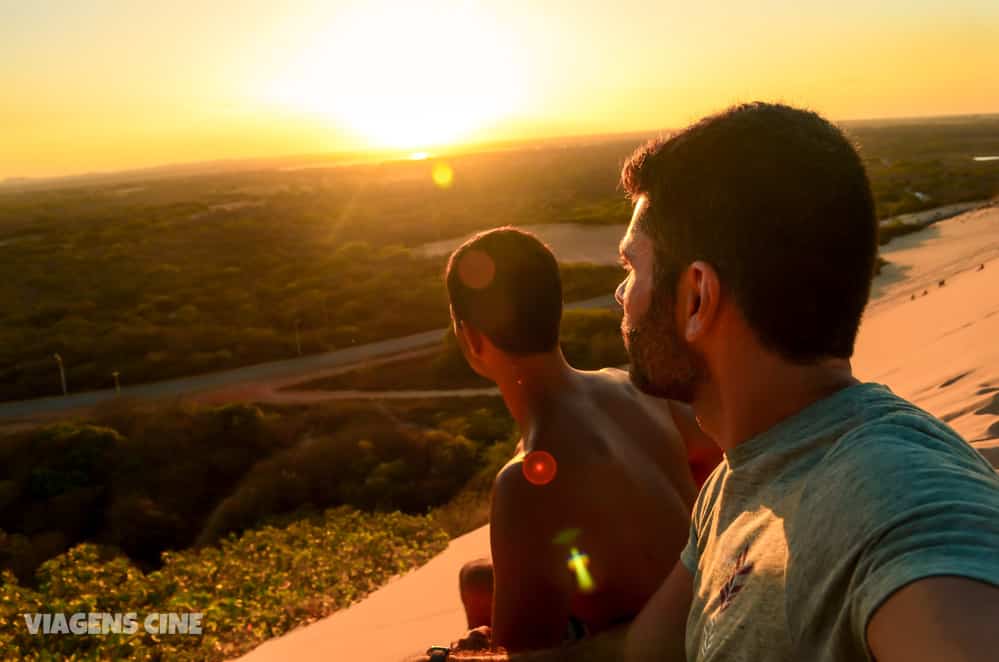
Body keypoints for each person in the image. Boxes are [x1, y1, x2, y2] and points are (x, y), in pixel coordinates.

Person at [611, 102, 999, 661]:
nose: (622, 296)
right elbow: (641, 653)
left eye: (631, 269)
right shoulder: (736, 482)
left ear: (696, 298)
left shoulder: (889, 494)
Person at [443, 227, 720, 654]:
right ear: (554, 310)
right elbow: (718, 456)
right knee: (477, 580)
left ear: (471, 339)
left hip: (655, 645)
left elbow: (528, 656)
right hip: (698, 605)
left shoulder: (526, 479)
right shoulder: (634, 388)